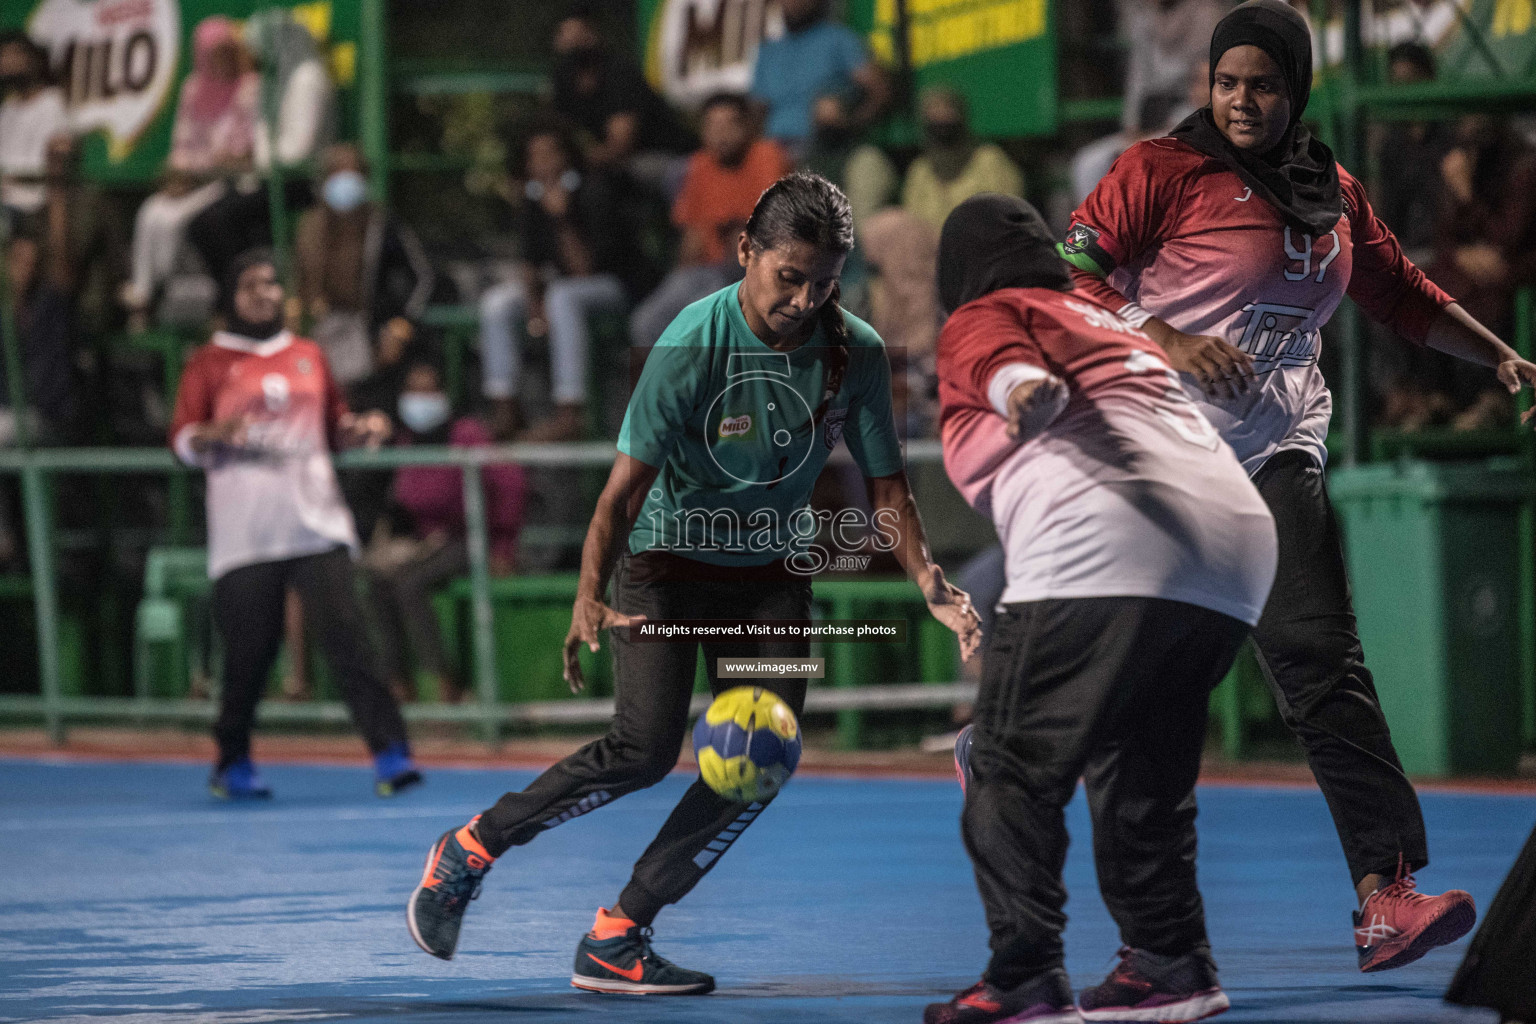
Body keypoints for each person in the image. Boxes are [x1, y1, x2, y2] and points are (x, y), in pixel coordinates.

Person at [407, 172, 982, 994]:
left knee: (759, 759)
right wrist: (587, 592)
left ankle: (619, 933)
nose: (804, 300)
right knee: (643, 752)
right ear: (746, 252)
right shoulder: (691, 344)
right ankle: (470, 849)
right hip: (667, 562)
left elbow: (889, 489)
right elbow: (620, 492)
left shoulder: (852, 349)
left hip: (772, 571)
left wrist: (930, 582)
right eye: (789, 277)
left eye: (824, 283)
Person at [1060, 0, 1535, 972]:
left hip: (1276, 452)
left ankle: (1385, 894)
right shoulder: (1158, 172)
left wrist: (1500, 358)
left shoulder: (1332, 191)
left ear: (1296, 90)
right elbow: (1067, 277)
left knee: (1320, 656)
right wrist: (1170, 341)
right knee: (1117, 688)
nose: (1242, 100)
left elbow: (1398, 290)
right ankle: (1016, 751)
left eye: (1263, 84)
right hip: (1158, 459)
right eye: (1227, 82)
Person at [928, 194, 1277, 1024]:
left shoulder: (986, 311)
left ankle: (1024, 977)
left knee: (1005, 761)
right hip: (1234, 546)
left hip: (1108, 539)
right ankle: (1168, 962)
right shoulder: (1104, 318)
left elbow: (1002, 362)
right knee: (1139, 761)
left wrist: (1021, 392)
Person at [168, 248, 421, 800]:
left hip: (316, 522)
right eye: (250, 286)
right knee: (250, 656)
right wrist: (213, 433)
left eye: (271, 284)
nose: (263, 293)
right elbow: (183, 440)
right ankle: (231, 761)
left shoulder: (307, 354)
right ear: (230, 299)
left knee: (350, 641)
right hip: (248, 534)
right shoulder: (209, 361)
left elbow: (334, 427)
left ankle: (390, 753)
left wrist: (363, 428)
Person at [364, 359, 527, 704]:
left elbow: (511, 484)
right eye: (413, 391)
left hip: (472, 540)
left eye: (428, 391)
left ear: (443, 394)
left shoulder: (465, 434)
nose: (420, 399)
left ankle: (447, 682)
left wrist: (503, 548)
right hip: (428, 543)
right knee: (378, 580)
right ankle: (398, 684)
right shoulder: (407, 441)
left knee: (409, 584)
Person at [477, 118, 635, 442]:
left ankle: (569, 412)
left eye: (550, 154)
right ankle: (506, 408)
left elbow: (584, 270)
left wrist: (562, 220)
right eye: (535, 157)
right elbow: (530, 265)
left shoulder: (593, 190)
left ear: (566, 156)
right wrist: (534, 305)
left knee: (562, 296)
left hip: (613, 285)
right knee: (497, 303)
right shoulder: (532, 201)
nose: (543, 163)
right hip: (562, 289)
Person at [627, 93, 794, 352]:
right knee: (645, 322)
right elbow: (691, 237)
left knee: (703, 317)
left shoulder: (766, 155)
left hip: (755, 273)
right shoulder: (699, 165)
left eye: (730, 124)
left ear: (747, 126)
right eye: (713, 126)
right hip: (705, 272)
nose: (722, 134)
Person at [123, 15, 258, 323]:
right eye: (214, 54)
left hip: (225, 182)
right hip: (191, 180)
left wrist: (209, 168)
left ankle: (166, 292)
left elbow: (244, 151)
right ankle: (142, 293)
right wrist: (177, 176)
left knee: (172, 222)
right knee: (151, 211)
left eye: (227, 52)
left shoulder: (247, 88)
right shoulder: (193, 89)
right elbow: (181, 146)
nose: (222, 60)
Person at [187, 10, 335, 283]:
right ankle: (239, 293)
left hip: (300, 183)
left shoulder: (307, 79)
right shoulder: (273, 80)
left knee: (216, 221)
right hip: (269, 180)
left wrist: (255, 156)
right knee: (202, 223)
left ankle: (242, 292)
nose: (252, 57)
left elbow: (294, 153)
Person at [295, 143, 434, 396]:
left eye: (354, 172)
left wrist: (400, 325)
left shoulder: (382, 225)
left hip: (372, 336)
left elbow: (422, 277)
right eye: (338, 172)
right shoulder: (309, 227)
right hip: (321, 332)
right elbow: (299, 283)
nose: (346, 179)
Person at [549, 2, 695, 196]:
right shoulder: (563, 79)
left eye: (579, 34)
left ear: (593, 35)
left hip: (662, 155)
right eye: (567, 35)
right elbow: (557, 132)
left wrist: (571, 162)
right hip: (605, 164)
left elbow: (620, 146)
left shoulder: (618, 74)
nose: (573, 43)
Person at [749, 0, 888, 157]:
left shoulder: (838, 39)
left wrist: (850, 123)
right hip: (774, 149)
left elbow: (879, 91)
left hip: (822, 148)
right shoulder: (768, 52)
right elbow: (756, 110)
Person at [900, 87, 1024, 237]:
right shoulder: (920, 170)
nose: (941, 119)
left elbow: (1009, 214)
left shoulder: (989, 159)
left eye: (947, 111)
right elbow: (912, 222)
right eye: (934, 113)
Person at [0, 31, 70, 224]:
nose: (7, 63)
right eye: (3, 56)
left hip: (31, 205)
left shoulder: (52, 102)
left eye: (15, 55)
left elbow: (57, 162)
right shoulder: (7, 109)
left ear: (33, 60)